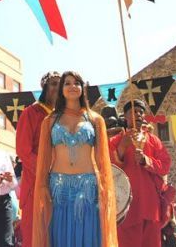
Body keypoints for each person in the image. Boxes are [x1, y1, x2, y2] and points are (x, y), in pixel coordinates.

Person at [31, 70, 117, 247]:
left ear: (83, 88)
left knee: (88, 236)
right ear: (61, 89)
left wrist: (104, 191)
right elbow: (44, 159)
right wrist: (42, 187)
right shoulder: (50, 121)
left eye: (76, 83)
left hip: (88, 187)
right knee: (59, 237)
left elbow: (103, 161)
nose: (72, 86)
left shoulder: (95, 120)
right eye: (67, 83)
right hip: (58, 187)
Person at [110, 99, 171, 246]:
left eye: (140, 112)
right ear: (125, 116)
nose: (138, 114)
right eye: (133, 111)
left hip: (150, 205)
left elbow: (165, 165)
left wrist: (146, 161)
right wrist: (121, 149)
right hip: (126, 207)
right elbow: (107, 168)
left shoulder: (154, 140)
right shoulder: (116, 140)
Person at [14, 71, 60, 247]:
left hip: (61, 185)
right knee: (36, 237)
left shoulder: (63, 117)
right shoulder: (30, 113)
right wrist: (46, 172)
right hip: (36, 185)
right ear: (45, 87)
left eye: (60, 85)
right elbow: (23, 151)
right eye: (53, 83)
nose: (57, 88)